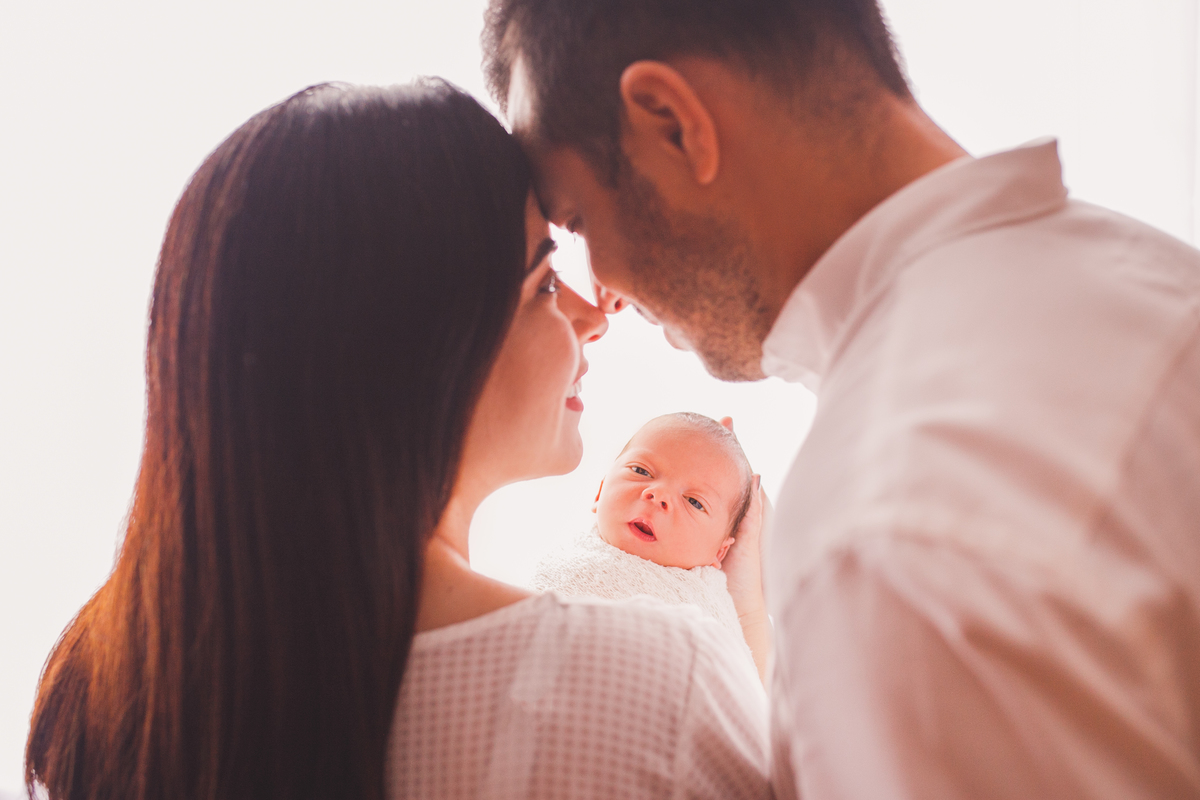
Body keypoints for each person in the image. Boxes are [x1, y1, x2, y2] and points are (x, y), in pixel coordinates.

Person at [481, 1, 1200, 798]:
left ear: (675, 124)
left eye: (578, 221)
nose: (603, 295)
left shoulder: (888, 522)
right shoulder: (1161, 279)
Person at [24, 81, 772, 800]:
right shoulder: (656, 686)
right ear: (420, 349)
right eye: (545, 281)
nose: (594, 316)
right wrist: (749, 615)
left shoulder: (115, 684)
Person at [531, 412, 769, 679]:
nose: (658, 495)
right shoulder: (571, 566)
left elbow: (751, 696)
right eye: (641, 471)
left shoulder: (713, 606)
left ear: (720, 552)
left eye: (694, 502)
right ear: (600, 492)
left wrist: (748, 601)